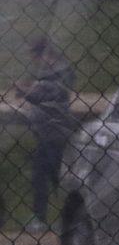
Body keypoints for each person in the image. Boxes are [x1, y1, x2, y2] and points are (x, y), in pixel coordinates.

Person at [13, 36, 76, 233]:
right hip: (46, 133)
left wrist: (24, 91)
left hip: (54, 132)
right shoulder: (51, 73)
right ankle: (44, 217)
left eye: (36, 57)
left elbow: (44, 93)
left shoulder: (59, 72)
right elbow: (40, 90)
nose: (35, 62)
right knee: (44, 176)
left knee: (52, 176)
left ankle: (62, 218)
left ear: (44, 55)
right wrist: (27, 89)